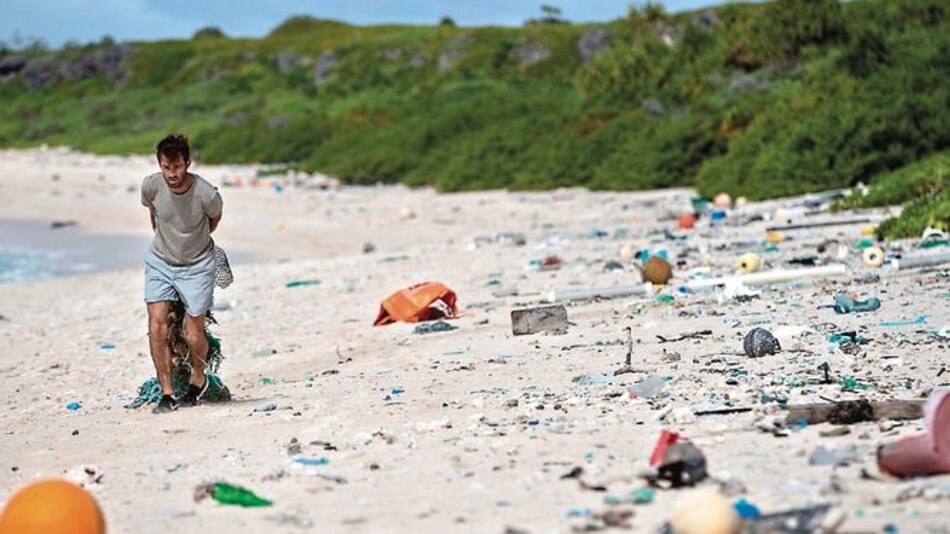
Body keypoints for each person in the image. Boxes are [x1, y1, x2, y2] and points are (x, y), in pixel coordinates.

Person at [141, 133, 222, 414]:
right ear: (160, 165)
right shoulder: (151, 186)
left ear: (187, 163)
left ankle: (197, 380)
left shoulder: (206, 193)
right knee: (156, 325)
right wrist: (170, 243)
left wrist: (192, 242)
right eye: (166, 167)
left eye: (176, 167)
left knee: (191, 331)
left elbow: (214, 219)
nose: (172, 174)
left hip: (198, 264)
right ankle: (166, 392)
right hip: (160, 261)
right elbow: (154, 214)